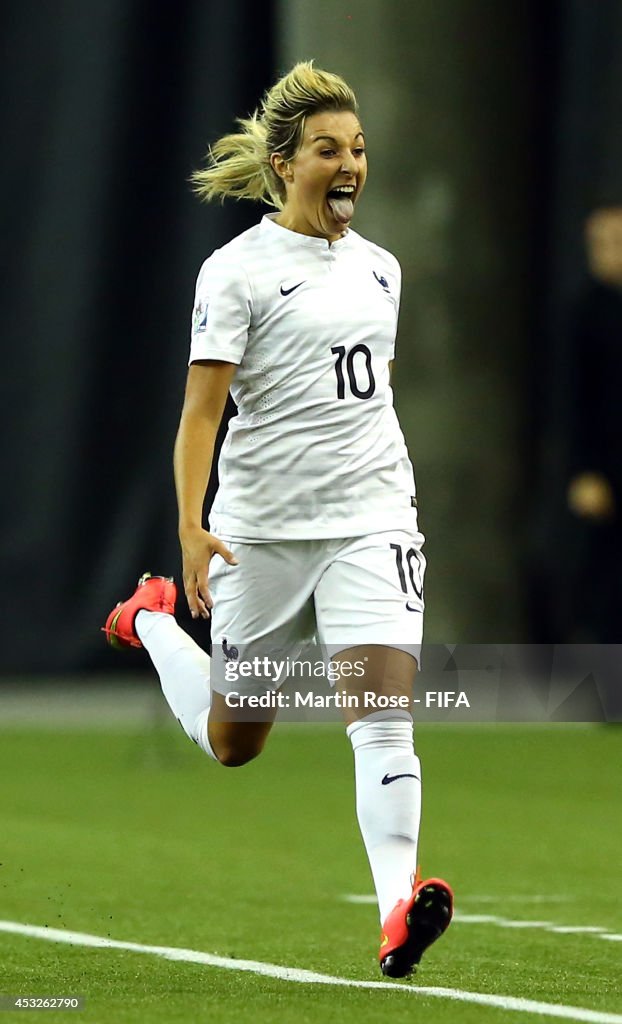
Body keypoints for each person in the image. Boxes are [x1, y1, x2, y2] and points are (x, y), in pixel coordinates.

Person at [103, 61, 453, 978]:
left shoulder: (381, 269)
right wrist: (190, 526)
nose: (351, 166)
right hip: (259, 530)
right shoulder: (238, 272)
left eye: (361, 149)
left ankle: (396, 911)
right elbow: (201, 415)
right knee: (233, 742)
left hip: (373, 519)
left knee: (382, 720)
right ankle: (147, 619)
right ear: (284, 162)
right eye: (329, 150)